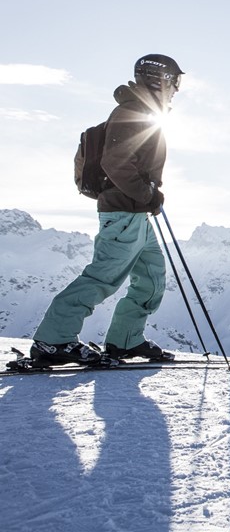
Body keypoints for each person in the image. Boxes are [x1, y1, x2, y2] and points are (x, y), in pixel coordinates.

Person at [30, 54, 184, 366]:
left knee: (152, 279)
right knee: (103, 277)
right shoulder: (132, 112)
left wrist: (149, 196)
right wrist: (147, 193)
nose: (177, 89)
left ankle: (125, 340)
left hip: (137, 213)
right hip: (123, 213)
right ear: (159, 79)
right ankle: (53, 340)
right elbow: (115, 163)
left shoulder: (145, 112)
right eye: (175, 81)